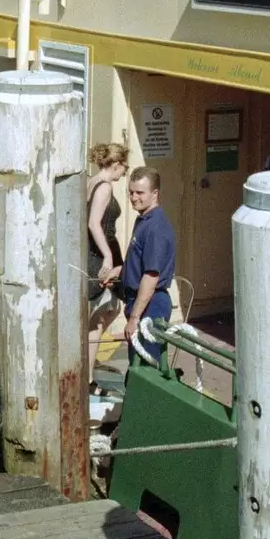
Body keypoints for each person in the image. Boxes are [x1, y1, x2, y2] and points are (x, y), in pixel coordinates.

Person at [121, 166, 176, 365]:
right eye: (131, 192)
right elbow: (141, 264)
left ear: (155, 193)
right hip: (140, 300)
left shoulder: (155, 227)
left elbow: (151, 276)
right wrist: (120, 271)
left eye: (139, 193)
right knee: (136, 366)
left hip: (151, 304)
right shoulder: (144, 220)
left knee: (146, 367)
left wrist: (135, 318)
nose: (134, 197)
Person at [85, 142, 128, 390]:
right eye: (124, 166)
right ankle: (89, 376)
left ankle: (89, 365)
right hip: (102, 254)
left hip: (100, 252)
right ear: (115, 164)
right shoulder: (104, 187)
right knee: (100, 317)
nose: (124, 172)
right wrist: (107, 257)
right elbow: (94, 223)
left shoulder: (91, 182)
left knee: (103, 314)